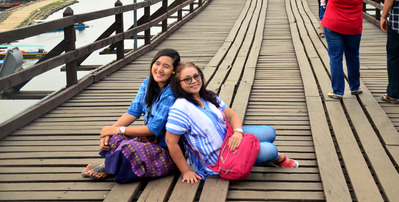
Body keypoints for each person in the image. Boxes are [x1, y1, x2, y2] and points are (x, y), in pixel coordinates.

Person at [165, 62, 299, 183]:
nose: (194, 81)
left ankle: (253, 155)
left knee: (270, 132)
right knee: (271, 150)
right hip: (219, 157)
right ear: (179, 84)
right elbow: (171, 141)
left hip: (229, 137)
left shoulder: (207, 96)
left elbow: (233, 115)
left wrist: (237, 132)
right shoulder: (180, 108)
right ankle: (275, 158)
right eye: (187, 79)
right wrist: (186, 171)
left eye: (196, 76)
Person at [81, 49, 181, 183]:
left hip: (167, 151)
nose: (160, 69)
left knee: (128, 148)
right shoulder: (148, 83)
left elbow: (153, 128)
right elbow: (133, 112)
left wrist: (117, 129)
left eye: (166, 66)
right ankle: (114, 165)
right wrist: (108, 133)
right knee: (113, 138)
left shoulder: (171, 93)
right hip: (148, 141)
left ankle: (111, 167)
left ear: (174, 71)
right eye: (157, 63)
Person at [321, 0, 368, 99]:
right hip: (353, 25)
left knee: (335, 57)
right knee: (353, 56)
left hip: (333, 23)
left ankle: (338, 91)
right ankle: (354, 86)